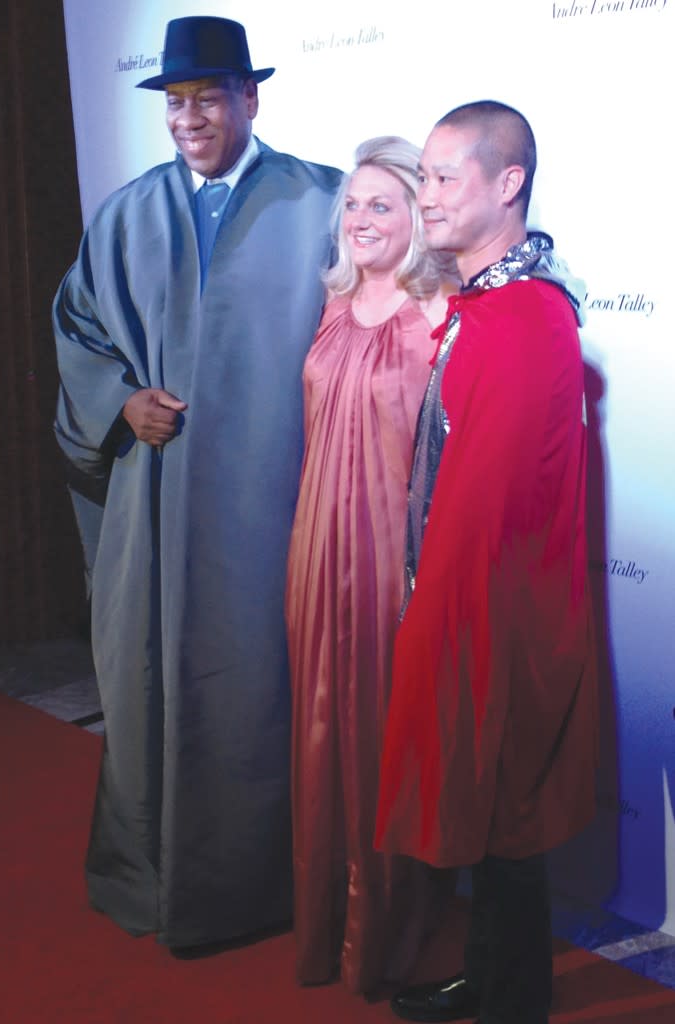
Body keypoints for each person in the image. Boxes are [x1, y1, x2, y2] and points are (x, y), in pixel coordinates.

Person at [52, 15, 341, 954]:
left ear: (249, 99)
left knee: (264, 687)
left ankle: (268, 887)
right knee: (146, 679)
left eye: (207, 98)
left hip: (276, 505)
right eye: (175, 102)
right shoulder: (127, 213)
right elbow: (79, 326)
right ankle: (152, 875)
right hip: (158, 501)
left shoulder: (322, 205)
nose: (189, 118)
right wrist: (122, 399)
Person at [373, 102, 598, 1024]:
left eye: (441, 177)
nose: (423, 197)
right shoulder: (490, 304)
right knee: (491, 817)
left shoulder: (522, 317)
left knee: (505, 816)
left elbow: (488, 511)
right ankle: (492, 981)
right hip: (476, 603)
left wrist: (430, 622)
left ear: (507, 186)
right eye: (420, 177)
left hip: (499, 615)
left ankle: (513, 1003)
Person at [286, 136, 459, 993]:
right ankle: (322, 925)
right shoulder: (326, 305)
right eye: (350, 204)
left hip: (394, 567)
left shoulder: (443, 313)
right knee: (320, 741)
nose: (359, 219)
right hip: (316, 556)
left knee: (383, 747)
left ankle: (385, 934)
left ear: (418, 220)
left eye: (380, 204)